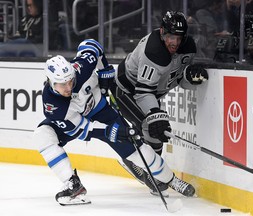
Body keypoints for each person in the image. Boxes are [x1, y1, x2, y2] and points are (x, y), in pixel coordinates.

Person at [33, 39, 195, 206]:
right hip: (80, 123)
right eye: (62, 84)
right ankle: (73, 185)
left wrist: (105, 72)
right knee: (43, 135)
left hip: (103, 112)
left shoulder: (80, 68)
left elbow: (91, 45)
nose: (68, 87)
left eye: (70, 81)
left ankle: (172, 180)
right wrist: (113, 131)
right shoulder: (53, 105)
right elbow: (83, 130)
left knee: (138, 151)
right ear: (51, 82)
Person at [112, 11, 208, 195]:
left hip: (149, 92)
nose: (175, 42)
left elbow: (176, 78)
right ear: (163, 32)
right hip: (125, 91)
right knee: (153, 126)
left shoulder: (187, 47)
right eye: (171, 37)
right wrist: (155, 114)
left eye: (179, 38)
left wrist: (188, 76)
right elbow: (143, 92)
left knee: (154, 129)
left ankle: (145, 167)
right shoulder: (153, 51)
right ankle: (154, 174)